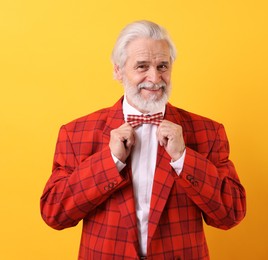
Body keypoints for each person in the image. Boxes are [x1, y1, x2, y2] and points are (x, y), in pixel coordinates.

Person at [40, 20, 246, 260]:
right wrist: (110, 161)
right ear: (118, 70)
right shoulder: (76, 133)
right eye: (142, 66)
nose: (155, 77)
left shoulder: (208, 132)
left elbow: (231, 214)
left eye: (162, 66)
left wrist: (184, 158)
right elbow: (54, 213)